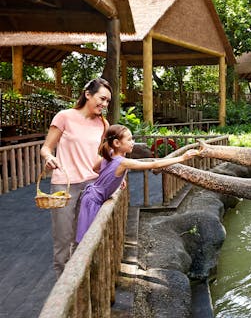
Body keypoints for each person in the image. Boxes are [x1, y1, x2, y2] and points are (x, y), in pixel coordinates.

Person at [76, 125, 200, 243]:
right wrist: (182, 158)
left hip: (91, 196)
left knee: (92, 237)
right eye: (129, 139)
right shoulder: (123, 162)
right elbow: (154, 164)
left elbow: (96, 169)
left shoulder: (110, 155)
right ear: (117, 143)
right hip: (94, 201)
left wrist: (117, 178)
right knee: (90, 239)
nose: (133, 142)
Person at [41, 78, 111, 277]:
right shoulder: (64, 116)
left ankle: (81, 280)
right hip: (64, 185)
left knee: (85, 236)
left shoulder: (103, 124)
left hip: (91, 185)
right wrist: (49, 157)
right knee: (63, 238)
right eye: (102, 99)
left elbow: (96, 157)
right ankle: (62, 284)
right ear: (88, 94)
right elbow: (46, 147)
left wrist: (113, 174)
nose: (104, 105)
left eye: (107, 101)